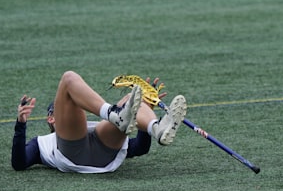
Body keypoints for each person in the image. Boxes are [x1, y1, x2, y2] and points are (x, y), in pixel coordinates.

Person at [11, 70, 187, 173]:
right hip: (73, 153)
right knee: (69, 79)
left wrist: (147, 107)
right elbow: (19, 163)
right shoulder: (43, 143)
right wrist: (21, 123)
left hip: (103, 153)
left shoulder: (95, 127)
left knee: (131, 100)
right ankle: (112, 112)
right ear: (51, 118)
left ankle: (156, 128)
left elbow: (140, 148)